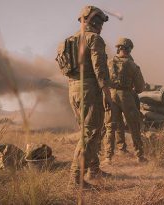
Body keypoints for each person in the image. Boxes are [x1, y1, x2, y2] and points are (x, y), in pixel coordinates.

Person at [57, 5, 112, 187]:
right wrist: (106, 93)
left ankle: (93, 169)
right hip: (89, 89)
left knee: (87, 131)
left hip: (73, 89)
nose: (102, 26)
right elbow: (100, 69)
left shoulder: (68, 41)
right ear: (95, 21)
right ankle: (75, 179)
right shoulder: (94, 39)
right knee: (90, 133)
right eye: (101, 22)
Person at [102, 38, 148, 165]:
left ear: (118, 48)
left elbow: (103, 81)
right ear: (128, 49)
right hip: (126, 95)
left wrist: (106, 96)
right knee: (134, 125)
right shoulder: (132, 65)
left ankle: (108, 157)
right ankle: (139, 156)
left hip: (110, 94)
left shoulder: (108, 63)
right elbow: (140, 87)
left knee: (111, 126)